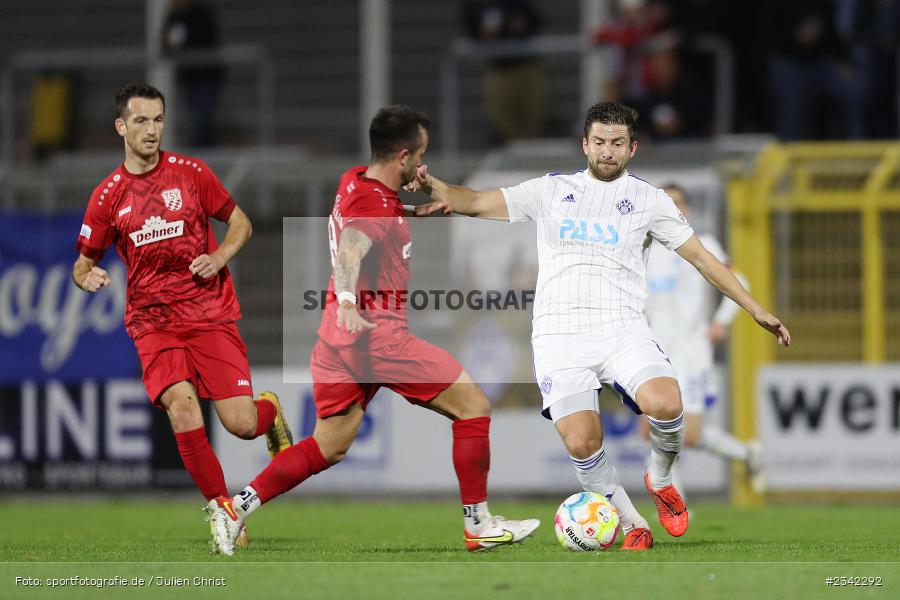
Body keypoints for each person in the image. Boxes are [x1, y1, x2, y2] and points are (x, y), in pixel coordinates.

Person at [410, 101, 791, 550]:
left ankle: (660, 476)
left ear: (632, 148)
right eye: (599, 142)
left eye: (616, 143)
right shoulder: (552, 191)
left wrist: (753, 308)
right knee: (582, 441)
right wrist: (435, 186)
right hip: (558, 336)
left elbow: (703, 259)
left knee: (667, 404)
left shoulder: (650, 200)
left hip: (621, 329)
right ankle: (633, 525)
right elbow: (474, 201)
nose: (606, 151)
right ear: (584, 144)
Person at [206, 105, 540, 556]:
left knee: (329, 444)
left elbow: (373, 214)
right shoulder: (372, 204)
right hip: (375, 335)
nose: (423, 167)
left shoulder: (355, 180)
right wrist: (347, 299)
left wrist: (414, 214)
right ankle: (478, 524)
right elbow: (350, 250)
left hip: (337, 340)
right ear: (401, 156)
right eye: (420, 157)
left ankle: (235, 508)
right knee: (474, 406)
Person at [72, 84, 293, 547]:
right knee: (182, 406)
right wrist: (85, 275)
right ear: (121, 127)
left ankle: (269, 412)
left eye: (157, 120)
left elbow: (241, 223)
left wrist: (220, 257)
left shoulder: (192, 174)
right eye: (140, 121)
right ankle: (223, 511)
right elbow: (82, 261)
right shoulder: (107, 196)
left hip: (209, 312)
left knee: (241, 423)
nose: (151, 130)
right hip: (152, 321)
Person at [644, 184, 764, 494]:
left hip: (691, 350)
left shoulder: (703, 243)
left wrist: (720, 322)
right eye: (665, 202)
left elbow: (741, 280)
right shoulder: (645, 247)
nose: (672, 208)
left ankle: (747, 454)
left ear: (688, 209)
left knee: (691, 434)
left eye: (678, 203)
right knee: (650, 429)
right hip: (655, 350)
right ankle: (674, 505)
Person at [462, 0, 544, 143]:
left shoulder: (516, 4)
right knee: (501, 116)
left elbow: (536, 20)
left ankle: (527, 145)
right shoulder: (474, 7)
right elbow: (470, 28)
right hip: (499, 70)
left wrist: (521, 26)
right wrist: (482, 34)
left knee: (531, 113)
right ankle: (513, 145)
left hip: (525, 66)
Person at [163, 0, 223, 147]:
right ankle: (202, 150)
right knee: (196, 115)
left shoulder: (201, 13)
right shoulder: (173, 16)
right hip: (189, 77)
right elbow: (166, 43)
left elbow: (209, 42)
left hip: (207, 75)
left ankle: (202, 150)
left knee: (203, 117)